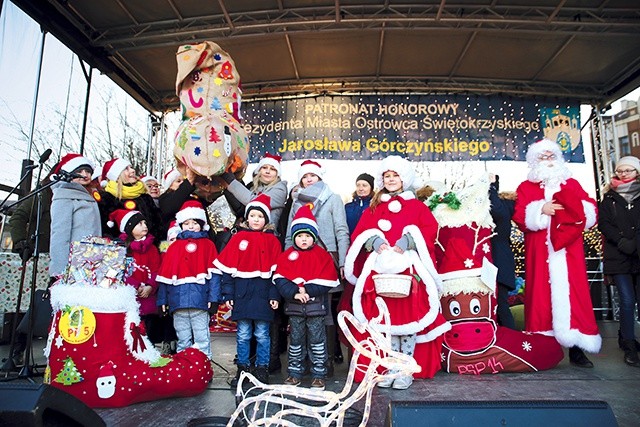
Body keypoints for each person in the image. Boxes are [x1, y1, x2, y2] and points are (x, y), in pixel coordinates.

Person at [344, 155, 448, 388]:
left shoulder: (417, 206)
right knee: (387, 323)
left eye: (395, 176)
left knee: (408, 319)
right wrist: (373, 242)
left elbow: (429, 230)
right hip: (380, 274)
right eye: (387, 176)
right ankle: (390, 366)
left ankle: (405, 369)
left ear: (404, 178)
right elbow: (360, 233)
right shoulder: (374, 206)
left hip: (408, 273)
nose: (391, 180)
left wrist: (409, 241)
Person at [513, 139, 600, 367]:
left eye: (552, 156)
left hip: (569, 253)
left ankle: (578, 350)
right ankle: (542, 348)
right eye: (543, 157)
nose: (548, 161)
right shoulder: (525, 187)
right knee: (540, 297)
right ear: (534, 161)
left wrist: (571, 209)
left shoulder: (572, 183)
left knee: (575, 295)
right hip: (540, 252)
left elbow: (590, 209)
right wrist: (541, 209)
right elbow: (521, 216)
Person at [283, 159, 349, 376]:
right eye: (305, 176)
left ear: (320, 177)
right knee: (300, 309)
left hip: (325, 259)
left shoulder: (333, 198)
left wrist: (343, 261)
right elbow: (289, 236)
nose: (309, 179)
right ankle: (302, 363)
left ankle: (325, 361)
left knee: (324, 310)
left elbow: (341, 230)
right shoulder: (296, 202)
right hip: (299, 259)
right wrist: (286, 261)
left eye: (313, 175)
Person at [214, 194, 282, 385]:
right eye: (253, 216)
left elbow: (277, 273)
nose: (256, 219)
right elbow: (227, 270)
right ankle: (242, 369)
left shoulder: (273, 242)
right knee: (243, 334)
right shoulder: (238, 238)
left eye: (260, 217)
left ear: (266, 220)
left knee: (262, 334)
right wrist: (228, 293)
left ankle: (262, 368)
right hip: (241, 294)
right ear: (247, 217)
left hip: (263, 295)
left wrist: (274, 294)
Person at [274, 205, 339, 390]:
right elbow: (280, 280)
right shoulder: (287, 256)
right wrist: (294, 292)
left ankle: (319, 374)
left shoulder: (322, 256)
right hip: (294, 309)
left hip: (316, 308)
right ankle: (294, 373)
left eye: (308, 236)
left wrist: (307, 290)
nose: (304, 239)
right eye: (300, 236)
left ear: (314, 237)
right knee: (295, 341)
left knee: (318, 342)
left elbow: (328, 281)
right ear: (294, 237)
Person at [156, 200, 221, 360]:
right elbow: (165, 277)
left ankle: (204, 366)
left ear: (201, 224)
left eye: (194, 223)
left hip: (200, 301)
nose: (191, 226)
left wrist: (214, 299)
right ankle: (184, 368)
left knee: (202, 338)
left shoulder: (208, 245)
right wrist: (162, 301)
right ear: (181, 224)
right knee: (183, 338)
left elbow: (214, 276)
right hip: (177, 302)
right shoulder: (174, 247)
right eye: (186, 223)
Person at [598, 155, 640, 367]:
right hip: (619, 256)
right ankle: (629, 344)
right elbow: (603, 224)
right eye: (621, 171)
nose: (624, 174)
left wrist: (635, 242)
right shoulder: (609, 198)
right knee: (625, 300)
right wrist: (622, 241)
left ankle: (628, 336)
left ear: (636, 173)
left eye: (628, 170)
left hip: (637, 254)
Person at [108, 209, 162, 345]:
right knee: (130, 327)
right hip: (130, 295)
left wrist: (151, 285)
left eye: (145, 222)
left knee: (148, 329)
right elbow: (119, 271)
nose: (144, 226)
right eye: (139, 224)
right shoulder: (121, 248)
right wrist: (136, 286)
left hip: (149, 295)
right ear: (129, 228)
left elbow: (157, 269)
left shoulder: (152, 248)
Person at [49, 154, 101, 279]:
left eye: (88, 171)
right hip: (74, 263)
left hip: (90, 259)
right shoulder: (64, 196)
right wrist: (60, 271)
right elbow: (60, 234)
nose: (85, 174)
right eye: (79, 171)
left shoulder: (89, 194)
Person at [218, 153, 288, 233]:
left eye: (272, 169)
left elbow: (256, 202)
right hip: (248, 234)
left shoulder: (280, 189)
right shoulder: (253, 186)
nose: (268, 171)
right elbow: (240, 210)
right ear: (259, 170)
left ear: (277, 173)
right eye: (264, 167)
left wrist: (231, 181)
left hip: (267, 236)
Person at [97, 158, 162, 241]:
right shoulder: (107, 198)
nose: (132, 171)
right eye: (126, 169)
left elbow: (157, 224)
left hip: (146, 248)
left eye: (131, 167)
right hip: (117, 249)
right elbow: (104, 228)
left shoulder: (145, 197)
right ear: (117, 175)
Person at [488, 173, 517, 329]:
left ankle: (511, 339)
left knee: (500, 306)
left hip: (499, 262)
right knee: (497, 306)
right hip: (499, 262)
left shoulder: (503, 208)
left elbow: (495, 208)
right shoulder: (504, 209)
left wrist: (492, 186)